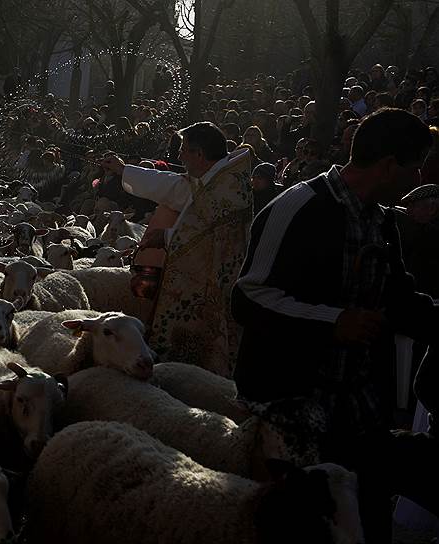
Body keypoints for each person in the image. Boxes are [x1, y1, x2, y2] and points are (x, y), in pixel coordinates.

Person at [231, 108, 439, 541]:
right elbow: (249, 297)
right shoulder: (297, 206)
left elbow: (398, 299)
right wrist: (333, 322)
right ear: (388, 165)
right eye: (415, 166)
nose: (418, 177)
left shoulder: (383, 222)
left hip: (358, 408)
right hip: (293, 409)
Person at [101, 121, 253, 376]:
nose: (179, 155)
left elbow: (206, 238)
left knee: (201, 354)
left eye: (183, 150)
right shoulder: (212, 178)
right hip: (198, 275)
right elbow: (173, 186)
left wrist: (167, 237)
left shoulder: (226, 191)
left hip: (211, 282)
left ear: (199, 154)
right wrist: (124, 170)